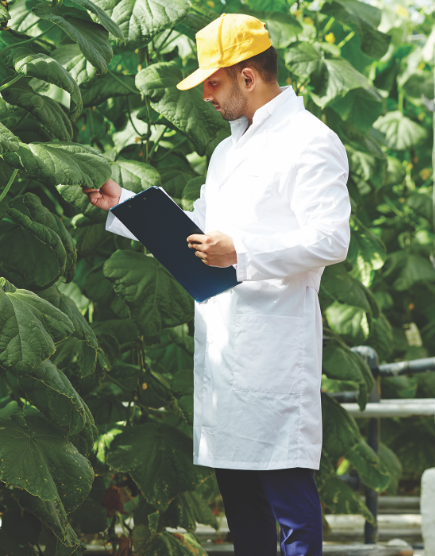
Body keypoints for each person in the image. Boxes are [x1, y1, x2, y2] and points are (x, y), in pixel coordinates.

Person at [83, 13, 350, 556]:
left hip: (274, 349)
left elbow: (331, 240)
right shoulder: (227, 151)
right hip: (227, 348)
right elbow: (196, 232)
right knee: (242, 507)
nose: (206, 95)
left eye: (212, 82)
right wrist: (125, 208)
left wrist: (243, 254)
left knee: (288, 501)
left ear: (248, 76)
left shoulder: (309, 141)